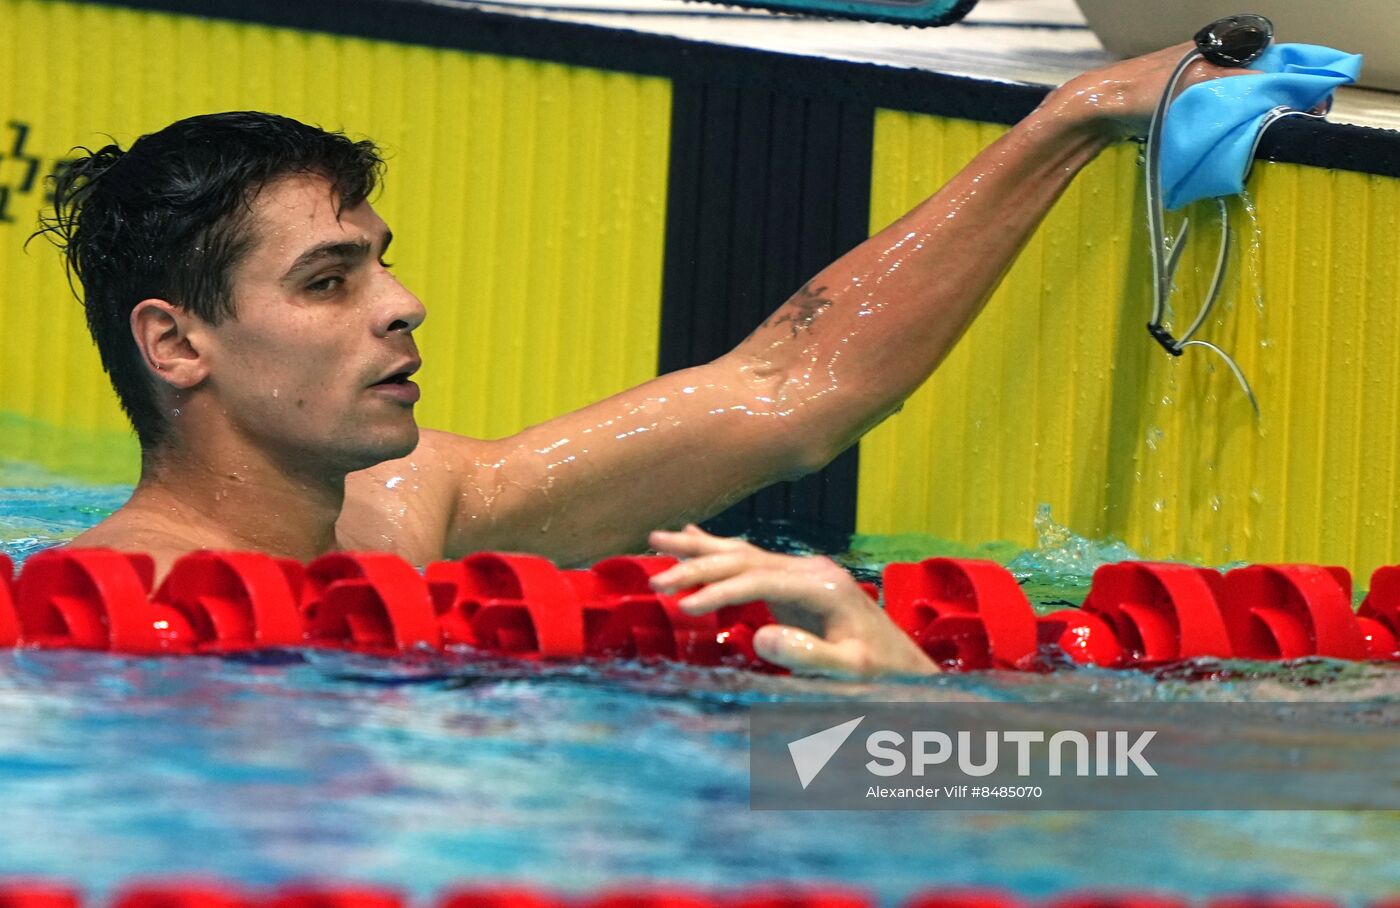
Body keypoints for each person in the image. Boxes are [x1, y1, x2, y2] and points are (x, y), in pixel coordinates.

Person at [40, 44, 1238, 677]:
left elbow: (780, 393)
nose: (403, 306)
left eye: (379, 261)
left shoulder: (413, 506)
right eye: (328, 280)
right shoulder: (100, 621)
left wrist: (1071, 120)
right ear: (176, 343)